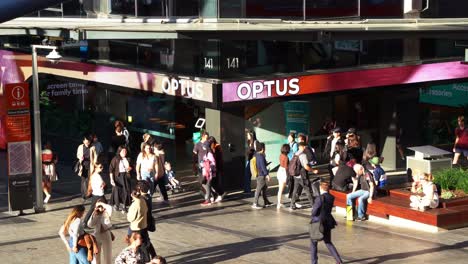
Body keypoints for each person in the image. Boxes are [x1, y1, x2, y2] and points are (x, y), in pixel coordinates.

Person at [310, 182, 343, 264]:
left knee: (313, 243)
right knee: (328, 242)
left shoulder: (320, 198)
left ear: (321, 188)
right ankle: (338, 260)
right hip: (328, 221)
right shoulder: (331, 197)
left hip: (317, 222)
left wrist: (313, 214)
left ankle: (314, 262)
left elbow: (314, 211)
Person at [127, 190, 154, 262]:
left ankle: (146, 260)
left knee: (141, 246)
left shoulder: (135, 204)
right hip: (144, 226)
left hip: (137, 227)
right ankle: (153, 257)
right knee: (147, 242)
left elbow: (130, 218)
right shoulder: (143, 200)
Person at [290, 142, 316, 210]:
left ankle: (292, 204)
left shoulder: (296, 153)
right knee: (307, 190)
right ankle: (313, 205)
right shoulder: (303, 155)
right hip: (302, 175)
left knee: (295, 190)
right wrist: (313, 170)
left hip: (296, 175)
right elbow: (306, 167)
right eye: (305, 147)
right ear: (303, 147)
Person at [87, 199, 113, 264]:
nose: (99, 208)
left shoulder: (107, 213)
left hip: (106, 235)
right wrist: (95, 213)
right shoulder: (96, 214)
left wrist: (101, 204)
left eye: (100, 206)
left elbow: (109, 207)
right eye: (98, 206)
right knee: (96, 256)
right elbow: (89, 225)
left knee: (107, 256)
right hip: (97, 236)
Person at [109, 146, 132, 213]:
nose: (124, 152)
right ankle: (117, 204)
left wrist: (130, 168)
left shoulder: (128, 158)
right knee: (117, 191)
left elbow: (132, 166)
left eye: (125, 151)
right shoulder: (115, 159)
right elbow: (111, 169)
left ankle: (124, 206)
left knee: (126, 190)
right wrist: (111, 179)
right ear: (119, 152)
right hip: (118, 177)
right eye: (123, 151)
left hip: (126, 176)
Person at [83, 162, 107, 227]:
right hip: (99, 194)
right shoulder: (97, 176)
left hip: (96, 194)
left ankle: (85, 222)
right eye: (100, 167)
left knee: (92, 208)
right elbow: (101, 185)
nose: (102, 168)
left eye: (102, 167)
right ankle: (105, 224)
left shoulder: (93, 175)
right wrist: (103, 185)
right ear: (96, 168)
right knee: (106, 208)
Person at [251, 143, 273, 209]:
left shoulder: (256, 155)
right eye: (264, 148)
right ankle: (255, 203)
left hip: (259, 174)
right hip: (261, 175)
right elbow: (263, 167)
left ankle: (266, 202)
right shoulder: (261, 156)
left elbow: (260, 164)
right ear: (263, 149)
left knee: (264, 188)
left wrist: (266, 163)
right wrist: (267, 175)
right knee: (258, 189)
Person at [77, 135, 98, 200]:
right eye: (85, 142)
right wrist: (80, 157)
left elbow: (95, 157)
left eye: (88, 142)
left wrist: (95, 165)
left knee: (89, 179)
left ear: (90, 142)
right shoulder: (80, 147)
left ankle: (87, 193)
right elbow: (78, 154)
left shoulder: (93, 147)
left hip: (90, 166)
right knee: (83, 180)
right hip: (82, 166)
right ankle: (84, 194)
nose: (87, 143)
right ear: (83, 141)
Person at [201, 140, 217, 206]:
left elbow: (213, 162)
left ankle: (208, 200)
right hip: (206, 172)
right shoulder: (207, 153)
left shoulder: (209, 154)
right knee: (205, 184)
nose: (203, 148)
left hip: (209, 173)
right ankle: (213, 195)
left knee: (207, 185)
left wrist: (207, 164)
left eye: (204, 146)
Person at [209, 136, 225, 202]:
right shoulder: (214, 147)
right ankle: (216, 194)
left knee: (216, 182)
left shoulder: (217, 147)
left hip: (218, 167)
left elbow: (218, 158)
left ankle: (220, 194)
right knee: (213, 182)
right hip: (215, 167)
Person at [277, 144, 290, 209]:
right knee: (285, 188)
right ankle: (279, 204)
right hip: (284, 172)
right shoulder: (286, 157)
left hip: (280, 170)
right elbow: (286, 167)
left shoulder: (280, 155)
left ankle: (279, 203)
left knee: (280, 189)